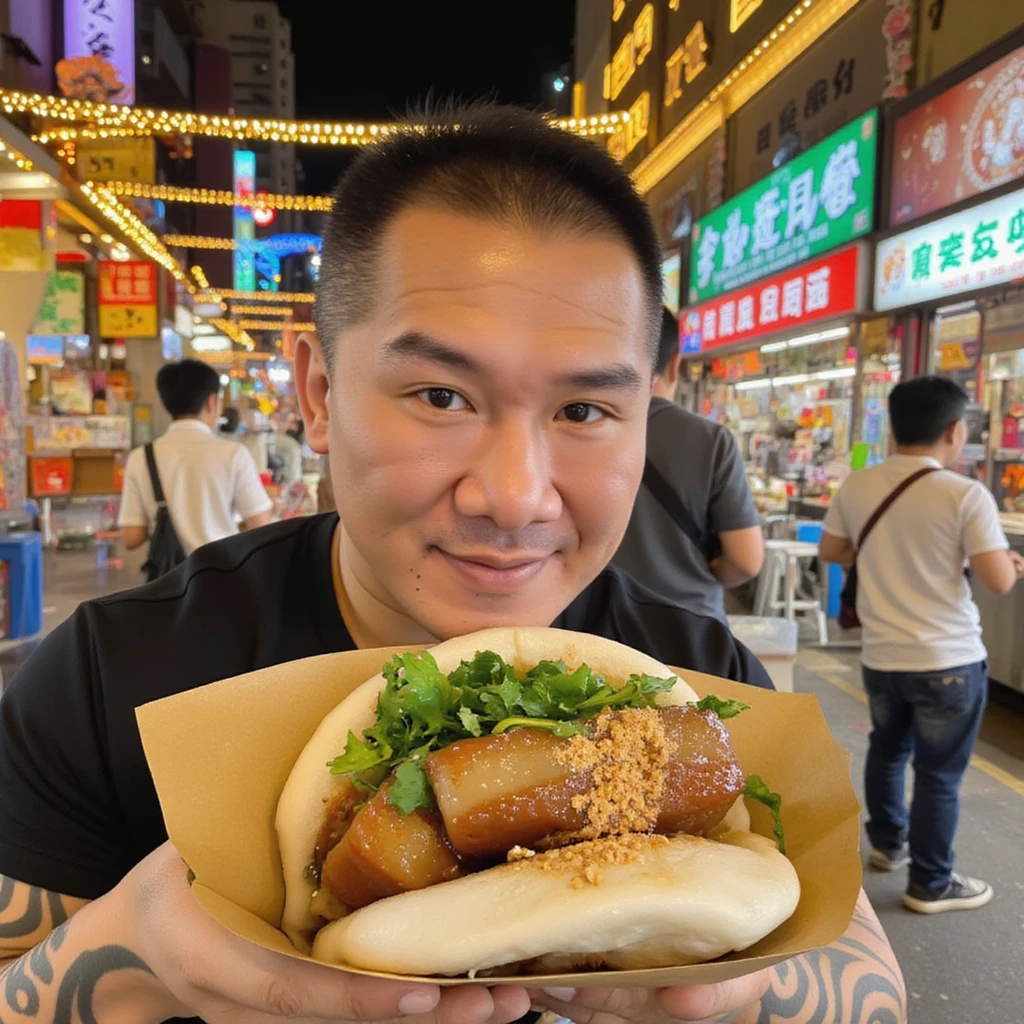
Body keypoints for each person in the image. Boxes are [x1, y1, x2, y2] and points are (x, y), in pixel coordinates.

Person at [0, 104, 905, 1024]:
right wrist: (129, 952)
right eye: (441, 395)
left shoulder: (703, 679)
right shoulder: (111, 674)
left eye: (585, 411)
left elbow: (873, 996)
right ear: (318, 395)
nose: (515, 497)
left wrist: (753, 997)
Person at [820, 375, 1024, 914]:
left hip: (882, 656)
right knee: (939, 773)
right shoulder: (964, 494)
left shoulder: (858, 485)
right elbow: (999, 581)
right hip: (947, 660)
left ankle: (888, 846)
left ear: (893, 425)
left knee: (888, 752)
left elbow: (832, 548)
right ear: (955, 431)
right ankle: (931, 883)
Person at [612, 308, 764, 622]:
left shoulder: (577, 428)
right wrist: (710, 567)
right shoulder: (711, 440)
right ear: (676, 363)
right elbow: (747, 561)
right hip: (693, 628)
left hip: (602, 625)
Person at [118, 360, 274, 556]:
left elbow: (131, 536)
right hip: (223, 574)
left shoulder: (140, 457)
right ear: (211, 401)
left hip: (168, 581)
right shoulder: (233, 454)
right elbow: (260, 524)